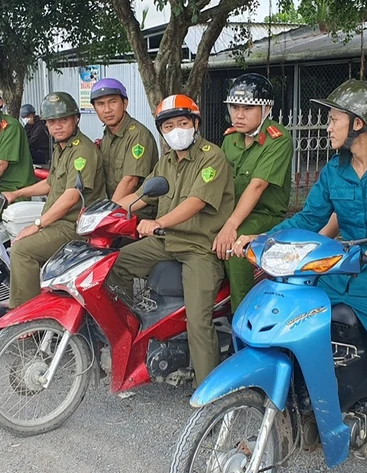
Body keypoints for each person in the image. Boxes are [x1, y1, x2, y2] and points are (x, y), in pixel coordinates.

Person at [234, 80, 367, 472]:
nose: (327, 126)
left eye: (333, 118)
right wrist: (263, 239)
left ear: (358, 123)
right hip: (335, 274)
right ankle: (282, 417)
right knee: (279, 320)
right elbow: (310, 219)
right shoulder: (334, 170)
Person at [108, 94, 235, 387]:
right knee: (114, 266)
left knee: (198, 321)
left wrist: (159, 222)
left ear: (195, 124)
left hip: (199, 249)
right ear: (161, 131)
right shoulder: (165, 162)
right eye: (168, 126)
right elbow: (141, 196)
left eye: (182, 123)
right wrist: (106, 213)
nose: (176, 130)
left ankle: (209, 393)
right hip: (166, 241)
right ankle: (139, 329)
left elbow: (196, 202)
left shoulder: (211, 156)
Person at [4, 92, 107, 308]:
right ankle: (39, 303)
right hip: (58, 222)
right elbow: (50, 183)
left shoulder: (82, 151)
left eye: (63, 120)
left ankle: (25, 314)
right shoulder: (62, 148)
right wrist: (16, 193)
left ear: (76, 119)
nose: (57, 126)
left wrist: (38, 224)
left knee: (22, 249)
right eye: (52, 121)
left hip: (74, 226)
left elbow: (71, 197)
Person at [215, 73, 292, 311]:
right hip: (232, 210)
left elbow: (257, 186)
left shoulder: (278, 140)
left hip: (263, 215)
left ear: (266, 109)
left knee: (236, 249)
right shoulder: (230, 139)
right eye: (234, 107)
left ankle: (242, 315)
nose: (239, 115)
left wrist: (230, 225)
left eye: (248, 108)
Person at [91, 78, 158, 217]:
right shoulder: (107, 135)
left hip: (137, 213)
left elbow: (130, 181)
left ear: (125, 103)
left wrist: (105, 214)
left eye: (113, 102)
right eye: (100, 104)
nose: (107, 109)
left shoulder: (137, 135)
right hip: (114, 209)